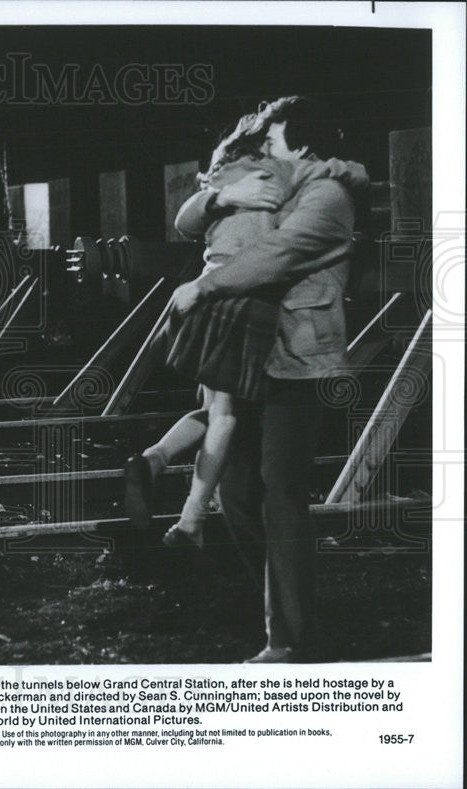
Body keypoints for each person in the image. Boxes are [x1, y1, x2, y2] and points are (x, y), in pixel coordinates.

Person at [166, 96, 365, 663]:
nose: (263, 154)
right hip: (251, 355)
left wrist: (204, 287)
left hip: (301, 364)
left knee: (280, 498)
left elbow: (276, 254)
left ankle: (291, 638)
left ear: (302, 148)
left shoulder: (329, 197)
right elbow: (189, 221)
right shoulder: (270, 185)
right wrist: (223, 195)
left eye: (272, 144)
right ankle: (278, 613)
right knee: (238, 498)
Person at [125, 109, 368, 552]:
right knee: (226, 415)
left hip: (204, 292)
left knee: (212, 405)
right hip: (238, 299)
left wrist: (218, 196)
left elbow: (184, 222)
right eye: (270, 145)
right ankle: (188, 515)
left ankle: (157, 465)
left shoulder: (223, 175)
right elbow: (278, 247)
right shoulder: (270, 176)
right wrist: (347, 171)